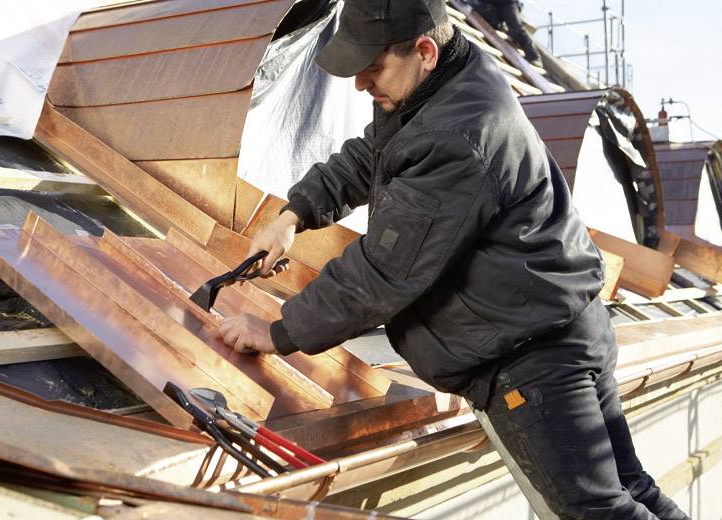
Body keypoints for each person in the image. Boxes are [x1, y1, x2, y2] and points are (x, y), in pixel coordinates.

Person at [217, 1, 689, 518]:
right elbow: (371, 155)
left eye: (372, 68)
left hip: (531, 362)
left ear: (423, 50)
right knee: (630, 492)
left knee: (595, 511)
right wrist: (294, 216)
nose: (360, 85)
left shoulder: (458, 135)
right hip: (565, 329)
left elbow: (384, 273)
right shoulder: (447, 82)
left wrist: (279, 331)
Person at [468, 0, 542, 66]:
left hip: (508, 4)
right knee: (477, 6)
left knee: (516, 28)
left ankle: (534, 56)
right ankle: (499, 24)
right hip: (491, 3)